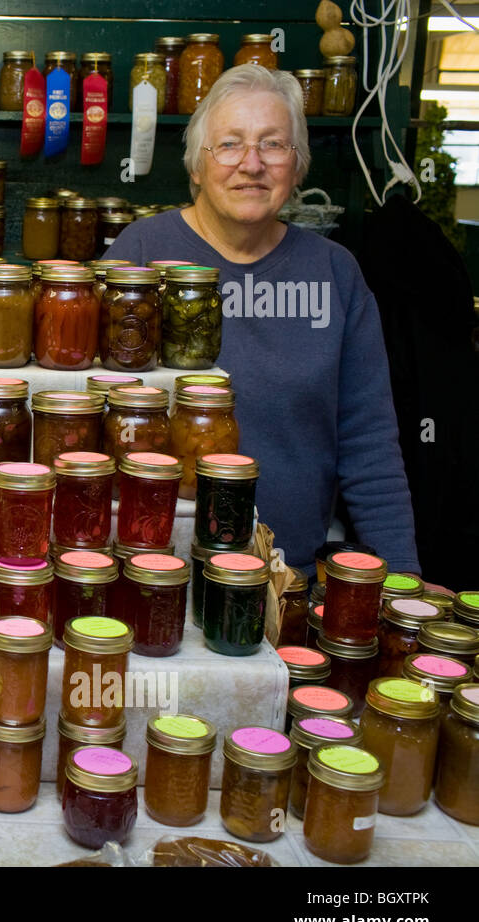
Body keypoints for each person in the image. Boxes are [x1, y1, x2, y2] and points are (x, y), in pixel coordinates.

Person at [108, 64, 420, 575]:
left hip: (284, 577)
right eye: (229, 144)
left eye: (273, 145)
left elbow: (370, 446)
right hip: (148, 567)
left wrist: (405, 580)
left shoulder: (335, 273)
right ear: (196, 166)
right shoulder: (139, 255)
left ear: (296, 167)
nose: (251, 164)